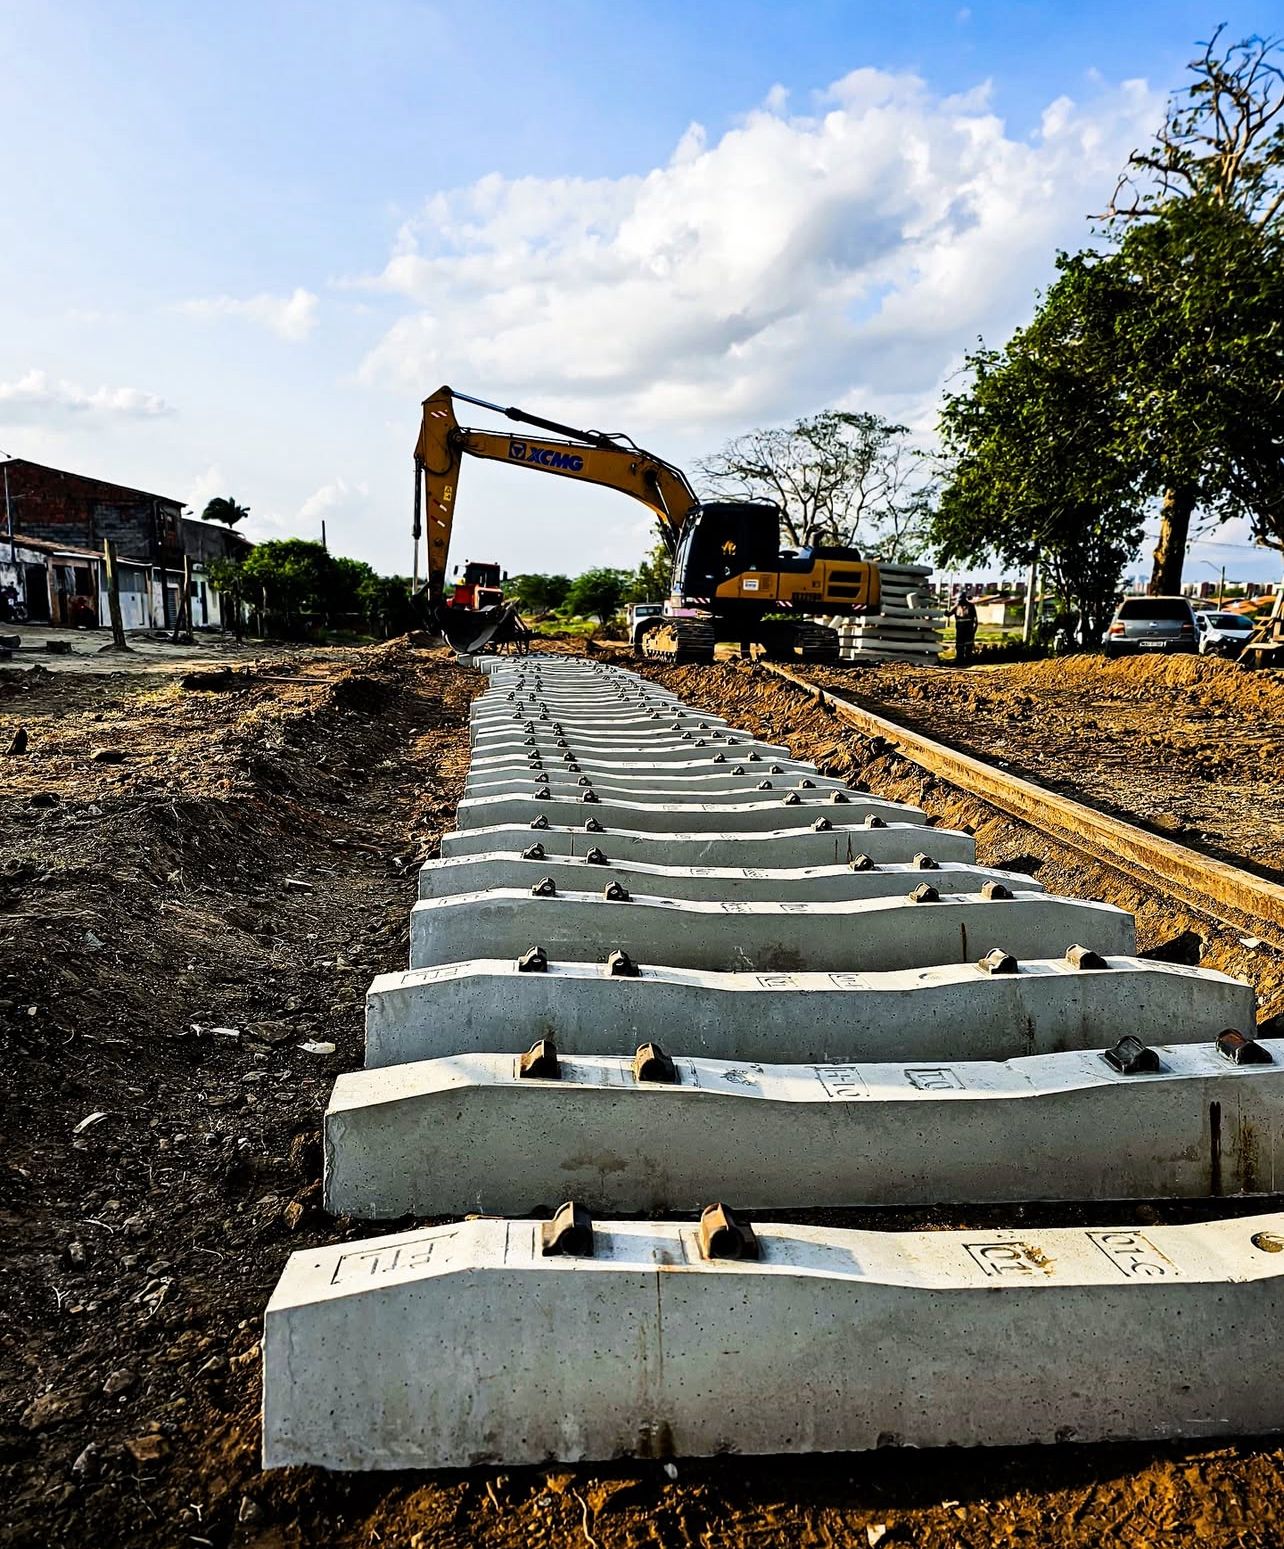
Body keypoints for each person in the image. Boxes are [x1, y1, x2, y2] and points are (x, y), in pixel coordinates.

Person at [952, 594, 978, 665]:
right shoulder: (957, 606)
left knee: (968, 644)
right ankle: (959, 659)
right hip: (960, 629)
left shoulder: (971, 606)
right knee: (959, 644)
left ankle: (968, 660)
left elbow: (975, 619)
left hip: (968, 629)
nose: (959, 602)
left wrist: (974, 630)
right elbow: (948, 614)